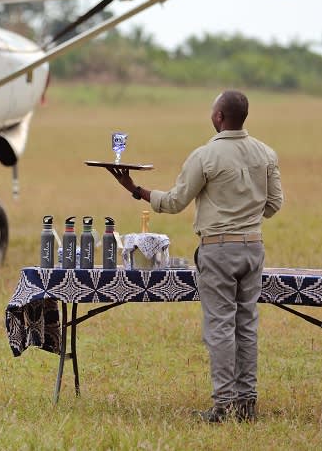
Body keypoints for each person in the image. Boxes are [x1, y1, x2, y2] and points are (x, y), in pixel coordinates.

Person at [110, 90, 283, 423]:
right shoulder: (267, 154)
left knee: (219, 327)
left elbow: (175, 202)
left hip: (218, 249)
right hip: (253, 247)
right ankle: (247, 404)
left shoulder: (205, 156)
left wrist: (135, 189)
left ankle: (223, 406)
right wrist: (246, 206)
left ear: (219, 117)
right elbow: (274, 205)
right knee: (246, 325)